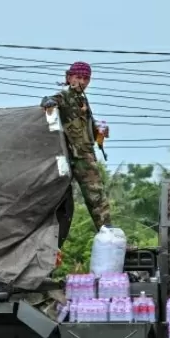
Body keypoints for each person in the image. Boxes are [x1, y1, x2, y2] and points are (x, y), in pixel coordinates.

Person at [41, 61, 112, 232]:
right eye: (78, 77)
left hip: (85, 154)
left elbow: (87, 130)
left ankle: (108, 234)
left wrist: (99, 132)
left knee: (97, 199)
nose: (82, 81)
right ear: (69, 77)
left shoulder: (82, 100)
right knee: (94, 198)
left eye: (86, 78)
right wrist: (49, 103)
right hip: (74, 156)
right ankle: (107, 233)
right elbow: (49, 100)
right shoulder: (66, 96)